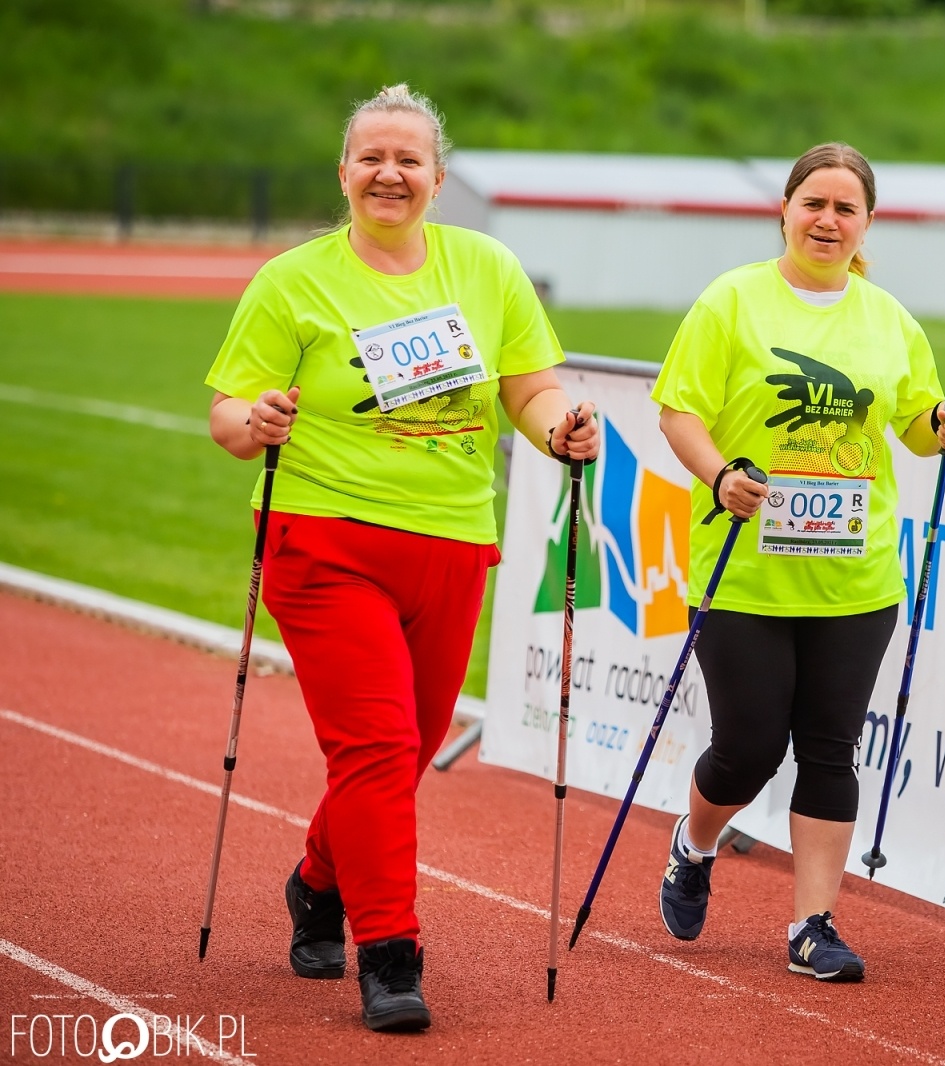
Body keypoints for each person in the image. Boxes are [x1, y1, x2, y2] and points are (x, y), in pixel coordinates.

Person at [204, 84, 597, 1032]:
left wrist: (562, 429)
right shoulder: (293, 280)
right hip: (325, 540)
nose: (390, 173)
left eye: (408, 160)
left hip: (454, 543)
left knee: (404, 754)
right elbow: (227, 412)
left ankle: (316, 883)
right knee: (375, 747)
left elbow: (530, 388)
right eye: (372, 158)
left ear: (438, 178)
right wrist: (254, 423)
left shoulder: (487, 267)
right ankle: (389, 952)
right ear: (344, 174)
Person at [649, 142, 945, 981]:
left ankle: (812, 926)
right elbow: (679, 412)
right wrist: (720, 476)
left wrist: (941, 427)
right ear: (786, 210)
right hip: (747, 572)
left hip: (855, 576)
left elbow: (910, 423)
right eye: (815, 204)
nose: (828, 221)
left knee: (831, 750)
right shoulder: (731, 302)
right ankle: (695, 842)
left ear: (866, 225)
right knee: (749, 749)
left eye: (846, 209)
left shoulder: (887, 318)